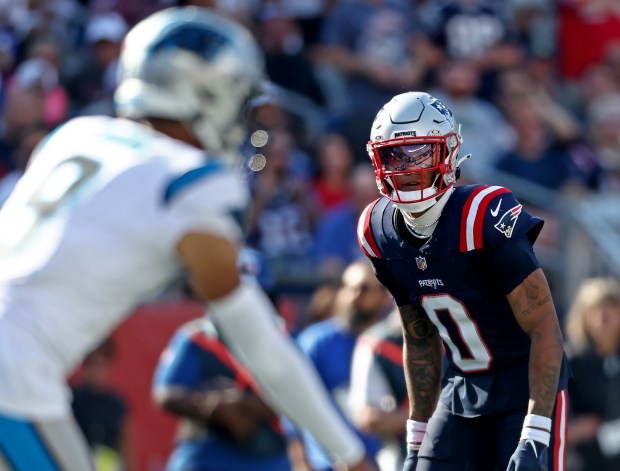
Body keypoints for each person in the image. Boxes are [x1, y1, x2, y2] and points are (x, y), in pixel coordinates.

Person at [0, 7, 373, 471]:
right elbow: (261, 346)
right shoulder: (195, 184)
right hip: (14, 378)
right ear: (207, 94)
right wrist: (347, 453)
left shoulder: (77, 134)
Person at [357, 91, 569, 470]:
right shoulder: (377, 231)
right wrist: (415, 439)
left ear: (447, 153)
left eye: (419, 153)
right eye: (394, 155)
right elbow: (418, 336)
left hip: (526, 388)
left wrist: (536, 432)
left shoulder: (482, 214)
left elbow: (545, 328)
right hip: (460, 391)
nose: (405, 169)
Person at [293, 260, 393, 471]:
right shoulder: (315, 342)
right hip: (329, 463)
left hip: (388, 460)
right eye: (349, 288)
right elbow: (296, 408)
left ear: (384, 297)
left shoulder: (393, 345)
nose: (354, 296)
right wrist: (302, 462)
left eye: (364, 289)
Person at [564, 277, 620, 471]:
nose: (603, 315)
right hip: (584, 461)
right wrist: (570, 430)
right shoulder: (570, 362)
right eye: (595, 308)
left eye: (611, 307)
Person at [349, 310, 409, 471]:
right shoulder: (377, 343)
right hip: (401, 457)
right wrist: (431, 414)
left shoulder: (455, 335)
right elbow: (368, 418)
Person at [71, 338, 137, 471]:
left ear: (109, 366)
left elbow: (127, 445)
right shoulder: (71, 399)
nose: (97, 370)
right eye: (93, 363)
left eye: (102, 364)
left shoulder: (116, 404)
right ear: (85, 366)